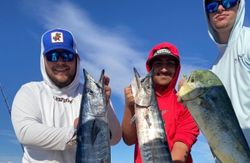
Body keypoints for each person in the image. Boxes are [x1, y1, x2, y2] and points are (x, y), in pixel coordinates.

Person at [11, 28, 121, 163]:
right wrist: (78, 132)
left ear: (77, 59)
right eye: (53, 56)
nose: (60, 62)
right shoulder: (30, 91)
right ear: (43, 59)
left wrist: (105, 107)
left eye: (67, 56)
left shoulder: (91, 94)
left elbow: (115, 138)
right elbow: (25, 132)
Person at [122, 42, 199, 163]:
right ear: (151, 69)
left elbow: (181, 146)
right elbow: (129, 140)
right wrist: (129, 106)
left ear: (176, 69)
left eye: (170, 64)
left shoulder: (186, 103)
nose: (164, 69)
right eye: (158, 64)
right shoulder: (139, 102)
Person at [203, 0, 250, 146]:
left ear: (240, 5)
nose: (221, 8)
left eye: (228, 2)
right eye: (212, 6)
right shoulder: (213, 69)